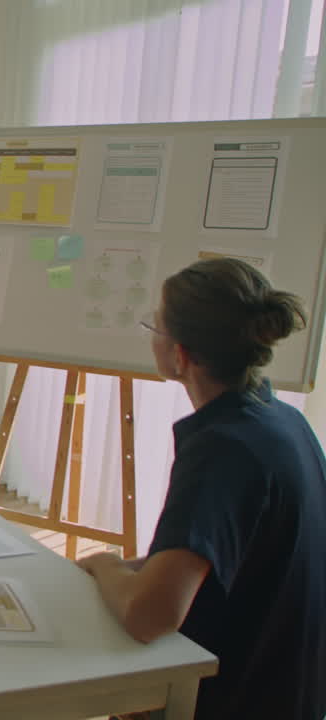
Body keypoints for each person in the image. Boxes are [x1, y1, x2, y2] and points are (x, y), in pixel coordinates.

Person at [77, 258, 326, 720]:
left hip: (235, 695)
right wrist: (131, 571)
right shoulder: (284, 421)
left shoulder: (223, 449)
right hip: (294, 691)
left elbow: (150, 616)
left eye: (156, 325)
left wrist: (105, 563)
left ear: (181, 355)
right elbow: (219, 555)